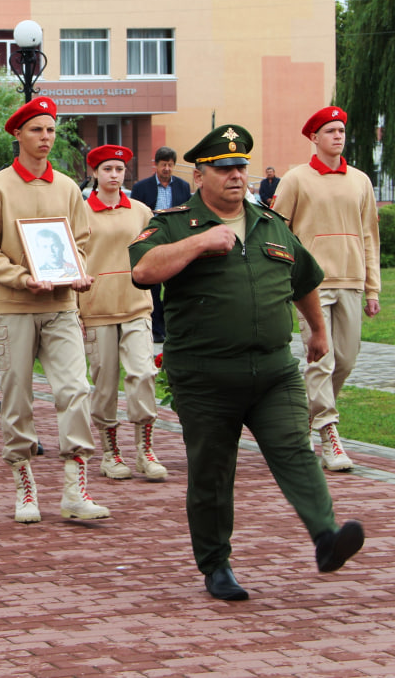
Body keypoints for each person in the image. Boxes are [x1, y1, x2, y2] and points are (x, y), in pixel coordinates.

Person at [128, 123, 364, 601]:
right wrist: (199, 243)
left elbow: (304, 278)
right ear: (200, 176)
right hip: (204, 375)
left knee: (294, 449)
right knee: (212, 472)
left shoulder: (270, 223)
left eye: (241, 167)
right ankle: (216, 565)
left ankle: (325, 537)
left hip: (273, 371)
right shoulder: (174, 222)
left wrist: (317, 331)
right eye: (224, 168)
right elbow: (142, 270)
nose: (236, 176)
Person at [0, 96, 108, 524]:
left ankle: (75, 488)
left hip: (62, 303)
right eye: (36, 130)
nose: (45, 137)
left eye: (50, 130)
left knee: (75, 389)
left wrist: (77, 271)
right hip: (14, 305)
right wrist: (20, 277)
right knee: (17, 395)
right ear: (18, 134)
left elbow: (81, 241)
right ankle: (24, 484)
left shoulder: (68, 187)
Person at [271, 106, 381, 472]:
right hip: (310, 284)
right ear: (314, 138)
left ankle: (304, 421)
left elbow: (369, 236)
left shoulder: (360, 180)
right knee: (322, 358)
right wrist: (281, 278)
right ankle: (329, 433)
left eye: (341, 130)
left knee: (345, 360)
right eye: (330, 131)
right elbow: (277, 231)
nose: (338, 136)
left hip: (351, 279)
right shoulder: (295, 179)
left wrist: (372, 288)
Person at [77, 144, 168, 483]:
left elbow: (155, 253)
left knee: (143, 373)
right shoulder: (82, 212)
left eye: (119, 169)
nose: (114, 175)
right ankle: (109, 452)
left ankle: (145, 450)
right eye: (107, 170)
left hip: (136, 306)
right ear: (96, 173)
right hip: (97, 309)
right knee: (104, 383)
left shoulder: (142, 211)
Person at [130, 146, 191, 343]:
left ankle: (173, 327)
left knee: (177, 285)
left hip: (176, 240)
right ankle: (156, 329)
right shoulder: (142, 187)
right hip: (152, 240)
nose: (166, 169)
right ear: (155, 165)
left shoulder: (182, 186)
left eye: (170, 165)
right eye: (163, 165)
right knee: (153, 288)